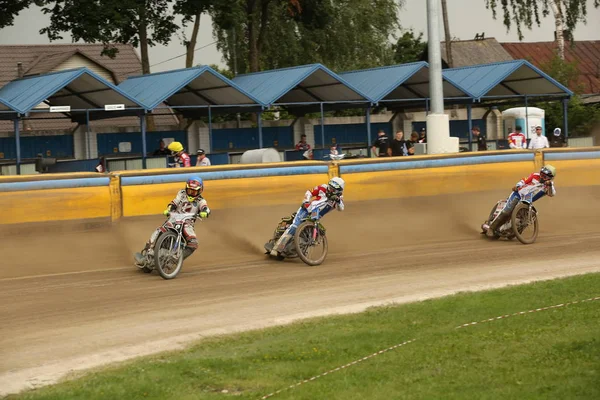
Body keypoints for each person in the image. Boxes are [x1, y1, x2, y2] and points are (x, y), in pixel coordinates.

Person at [134, 176, 210, 267]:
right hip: (174, 219)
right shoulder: (181, 193)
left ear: (200, 191)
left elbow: (205, 208)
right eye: (189, 190)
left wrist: (205, 212)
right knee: (160, 230)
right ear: (186, 188)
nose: (191, 193)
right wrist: (169, 209)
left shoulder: (201, 201)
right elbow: (174, 202)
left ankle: (175, 260)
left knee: (193, 244)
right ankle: (147, 252)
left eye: (194, 192)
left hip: (187, 225)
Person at [266, 177, 345, 256]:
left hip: (315, 216)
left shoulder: (338, 200)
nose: (329, 190)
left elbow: (341, 208)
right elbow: (309, 192)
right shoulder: (323, 188)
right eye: (329, 188)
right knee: (294, 227)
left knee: (312, 235)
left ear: (338, 192)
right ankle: (276, 249)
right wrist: (306, 201)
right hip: (306, 209)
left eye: (332, 190)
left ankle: (297, 250)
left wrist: (337, 200)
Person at [482, 165, 556, 236]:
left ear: (550, 178)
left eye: (544, 176)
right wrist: (517, 186)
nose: (542, 177)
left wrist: (549, 185)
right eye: (541, 174)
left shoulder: (549, 186)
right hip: (518, 194)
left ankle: (508, 230)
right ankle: (491, 228)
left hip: (527, 200)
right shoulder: (534, 175)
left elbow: (552, 194)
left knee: (524, 218)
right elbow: (523, 181)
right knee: (506, 211)